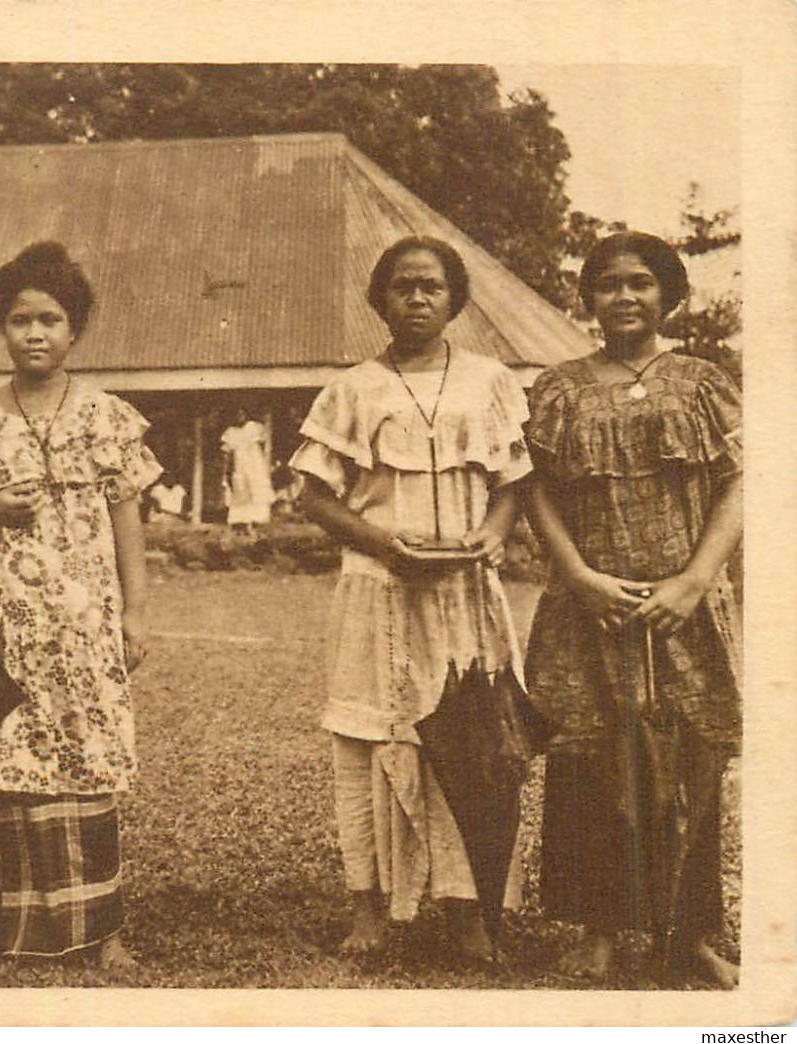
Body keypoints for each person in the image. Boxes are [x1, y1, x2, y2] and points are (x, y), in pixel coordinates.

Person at [289, 235, 531, 962]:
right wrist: (382, 545)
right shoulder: (352, 388)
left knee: (469, 740)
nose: (417, 299)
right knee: (366, 741)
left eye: (431, 287)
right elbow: (312, 495)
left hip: (463, 593)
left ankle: (468, 911)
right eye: (402, 287)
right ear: (380, 299)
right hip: (379, 590)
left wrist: (489, 534)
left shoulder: (489, 380)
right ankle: (368, 909)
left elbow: (513, 480)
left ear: (454, 299)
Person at [0, 242, 158, 967]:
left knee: (85, 759)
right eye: (20, 319)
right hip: (0, 619)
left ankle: (101, 930)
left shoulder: (109, 419)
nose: (34, 334)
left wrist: (136, 613)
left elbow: (128, 520)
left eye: (50, 320)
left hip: (84, 622)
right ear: (1, 327)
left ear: (74, 329)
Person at [524, 232, 742, 988]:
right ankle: (599, 927)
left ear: (667, 295)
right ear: (586, 299)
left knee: (690, 758)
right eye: (608, 285)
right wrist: (578, 575)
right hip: (590, 603)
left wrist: (691, 582)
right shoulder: (558, 388)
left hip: (682, 602)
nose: (624, 298)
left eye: (640, 284)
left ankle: (690, 933)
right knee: (589, 758)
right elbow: (535, 491)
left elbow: (739, 484)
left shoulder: (702, 382)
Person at [220, 407, 274, 532]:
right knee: (241, 491)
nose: (239, 417)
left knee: (257, 488)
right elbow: (227, 454)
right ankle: (241, 521)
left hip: (255, 464)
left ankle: (257, 520)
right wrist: (226, 470)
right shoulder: (230, 432)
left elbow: (264, 445)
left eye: (242, 414)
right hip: (239, 465)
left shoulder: (254, 427)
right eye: (236, 414)